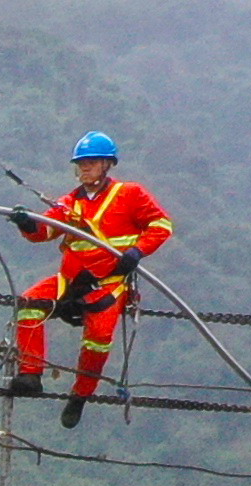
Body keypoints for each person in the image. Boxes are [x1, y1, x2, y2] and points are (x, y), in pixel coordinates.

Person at [13, 133, 173, 421]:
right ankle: (30, 373)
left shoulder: (130, 194)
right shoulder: (69, 203)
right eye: (81, 164)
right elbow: (45, 232)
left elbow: (161, 224)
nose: (85, 168)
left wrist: (137, 252)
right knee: (30, 303)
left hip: (108, 282)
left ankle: (80, 395)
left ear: (106, 165)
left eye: (91, 163)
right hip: (71, 279)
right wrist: (27, 223)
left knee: (98, 338)